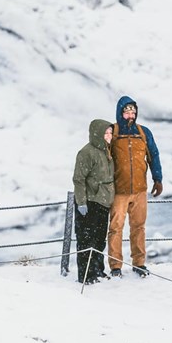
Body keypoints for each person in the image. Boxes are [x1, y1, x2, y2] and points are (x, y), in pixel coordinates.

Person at [108, 96, 163, 278]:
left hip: (140, 190)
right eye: (127, 112)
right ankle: (115, 266)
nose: (130, 115)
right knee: (116, 228)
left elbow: (153, 156)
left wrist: (158, 178)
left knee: (138, 227)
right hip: (119, 191)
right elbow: (103, 159)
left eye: (133, 112)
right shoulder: (112, 132)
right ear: (120, 113)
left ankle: (139, 263)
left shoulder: (143, 132)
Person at [72, 119, 115, 284]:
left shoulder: (107, 151)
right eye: (106, 133)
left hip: (103, 201)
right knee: (86, 241)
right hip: (90, 202)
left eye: (110, 132)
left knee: (99, 239)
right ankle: (85, 275)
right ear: (97, 134)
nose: (109, 136)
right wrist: (81, 202)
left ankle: (98, 271)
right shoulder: (86, 152)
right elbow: (78, 179)